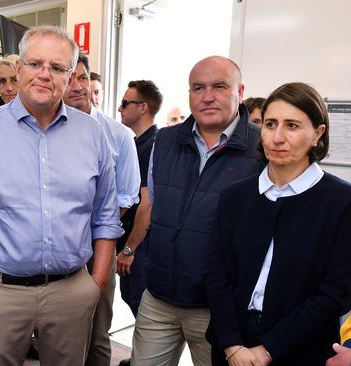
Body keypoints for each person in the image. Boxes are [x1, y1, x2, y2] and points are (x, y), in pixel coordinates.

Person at [0, 25, 123, 366]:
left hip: (71, 293)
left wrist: (94, 287)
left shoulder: (94, 135)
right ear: (19, 68)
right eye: (35, 63)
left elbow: (105, 219)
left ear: (70, 77)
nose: (44, 74)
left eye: (57, 67)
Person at [205, 82, 351, 366]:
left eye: (293, 126)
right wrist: (232, 344)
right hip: (231, 343)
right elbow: (217, 275)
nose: (277, 137)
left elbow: (335, 294)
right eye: (270, 124)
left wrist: (267, 350)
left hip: (300, 347)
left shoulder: (342, 202)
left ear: (318, 134)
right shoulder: (235, 196)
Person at [132, 56, 262, 366]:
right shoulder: (164, 141)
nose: (207, 96)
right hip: (159, 298)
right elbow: (155, 205)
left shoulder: (261, 148)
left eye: (219, 86)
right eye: (197, 87)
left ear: (239, 91)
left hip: (218, 307)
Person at [63, 52, 140, 366]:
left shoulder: (118, 135)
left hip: (99, 247)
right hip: (56, 249)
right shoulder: (41, 133)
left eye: (82, 77)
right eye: (68, 78)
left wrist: (92, 230)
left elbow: (126, 196)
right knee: (59, 330)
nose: (76, 85)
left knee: (97, 331)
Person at [114, 80, 163, 366]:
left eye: (125, 103)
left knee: (142, 307)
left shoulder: (152, 146)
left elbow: (147, 204)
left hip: (141, 245)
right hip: (132, 242)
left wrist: (130, 249)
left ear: (143, 107)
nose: (119, 109)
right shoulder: (136, 143)